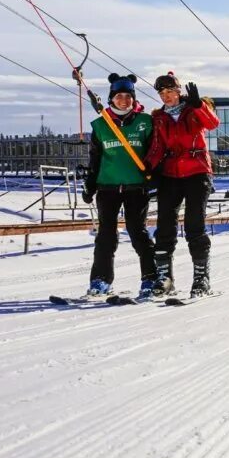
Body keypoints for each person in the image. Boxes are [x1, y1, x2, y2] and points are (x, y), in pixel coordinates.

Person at [145, 71, 220, 299]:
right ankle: (165, 278)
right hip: (171, 174)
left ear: (179, 92)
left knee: (194, 225)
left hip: (197, 172)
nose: (166, 96)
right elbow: (157, 146)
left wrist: (199, 105)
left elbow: (212, 124)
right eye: (162, 93)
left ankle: (201, 279)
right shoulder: (159, 118)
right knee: (165, 224)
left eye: (170, 91)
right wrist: (149, 167)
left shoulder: (193, 111)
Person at [82, 73, 156, 297]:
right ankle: (100, 280)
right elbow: (96, 158)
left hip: (136, 187)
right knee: (105, 235)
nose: (123, 100)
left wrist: (156, 177)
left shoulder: (145, 122)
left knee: (137, 232)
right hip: (108, 187)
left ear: (133, 98)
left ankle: (151, 279)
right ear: (111, 99)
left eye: (128, 96)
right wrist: (90, 184)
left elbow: (154, 153)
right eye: (119, 96)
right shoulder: (101, 125)